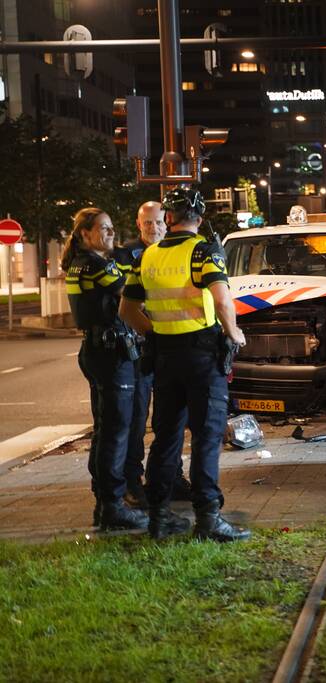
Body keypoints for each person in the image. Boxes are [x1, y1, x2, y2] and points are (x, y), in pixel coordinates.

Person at [120, 188, 251, 542]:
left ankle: (159, 518)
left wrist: (158, 332)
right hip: (203, 356)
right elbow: (223, 301)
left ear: (169, 218)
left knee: (166, 438)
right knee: (207, 438)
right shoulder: (205, 251)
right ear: (201, 218)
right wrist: (234, 334)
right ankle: (208, 519)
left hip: (164, 357)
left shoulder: (145, 257)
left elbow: (127, 311)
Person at [63, 208, 148, 531]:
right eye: (103, 229)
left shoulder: (80, 263)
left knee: (105, 429)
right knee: (116, 430)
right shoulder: (97, 266)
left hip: (98, 349)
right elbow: (133, 293)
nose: (111, 233)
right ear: (85, 234)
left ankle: (104, 502)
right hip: (111, 353)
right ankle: (112, 507)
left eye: (112, 228)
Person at [114, 201, 191, 507]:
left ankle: (172, 477)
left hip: (171, 347)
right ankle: (132, 482)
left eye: (160, 222)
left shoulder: (175, 250)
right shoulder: (124, 256)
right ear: (139, 224)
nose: (155, 228)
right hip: (139, 348)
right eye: (148, 223)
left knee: (170, 418)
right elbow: (125, 304)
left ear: (168, 222)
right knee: (135, 418)